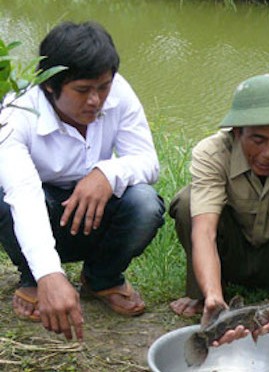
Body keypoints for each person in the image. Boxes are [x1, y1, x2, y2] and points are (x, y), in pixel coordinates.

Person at [0, 21, 165, 341]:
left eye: (103, 87)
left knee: (145, 202)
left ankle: (101, 277)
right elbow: (24, 193)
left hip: (97, 211)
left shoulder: (117, 91)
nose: (96, 100)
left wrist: (106, 173)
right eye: (82, 90)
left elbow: (148, 162)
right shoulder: (15, 114)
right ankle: (34, 278)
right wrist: (50, 273)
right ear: (50, 85)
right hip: (42, 205)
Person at [168, 74, 269, 343]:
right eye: (257, 140)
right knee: (187, 203)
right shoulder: (210, 152)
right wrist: (212, 294)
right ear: (236, 132)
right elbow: (204, 232)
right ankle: (205, 296)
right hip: (232, 256)